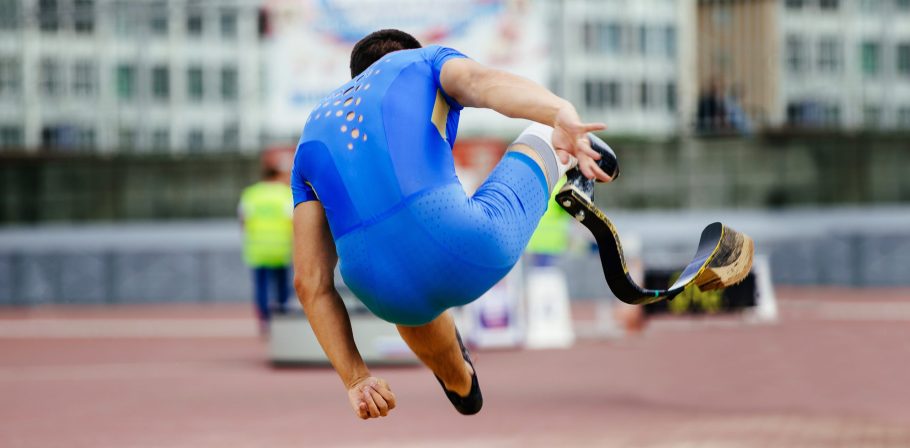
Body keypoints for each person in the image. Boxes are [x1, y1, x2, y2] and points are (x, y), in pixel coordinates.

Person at [290, 29, 615, 420]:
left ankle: (460, 381)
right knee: (543, 127)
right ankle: (570, 158)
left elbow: (309, 283)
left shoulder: (311, 132)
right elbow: (483, 83)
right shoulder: (425, 61)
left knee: (412, 303)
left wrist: (356, 378)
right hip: (467, 244)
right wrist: (557, 110)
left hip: (380, 292)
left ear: (353, 80)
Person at [238, 166, 294, 335]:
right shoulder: (285, 194)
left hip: (258, 249)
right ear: (278, 175)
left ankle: (265, 319)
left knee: (261, 287)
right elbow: (293, 220)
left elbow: (243, 219)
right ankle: (282, 318)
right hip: (281, 249)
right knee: (282, 287)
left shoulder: (251, 194)